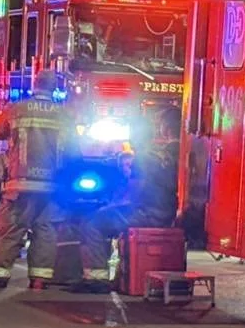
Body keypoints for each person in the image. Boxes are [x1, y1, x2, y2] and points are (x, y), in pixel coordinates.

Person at [76, 104, 180, 287]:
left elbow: (133, 193)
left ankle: (96, 279)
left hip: (146, 214)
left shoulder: (146, 157)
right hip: (167, 214)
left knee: (92, 222)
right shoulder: (179, 153)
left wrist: (110, 206)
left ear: (164, 128)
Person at [0, 79, 63, 290]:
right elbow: (74, 149)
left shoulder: (17, 108)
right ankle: (39, 279)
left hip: (20, 182)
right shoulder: (65, 113)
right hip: (52, 186)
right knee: (45, 229)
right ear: (54, 90)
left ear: (35, 87)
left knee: (11, 227)